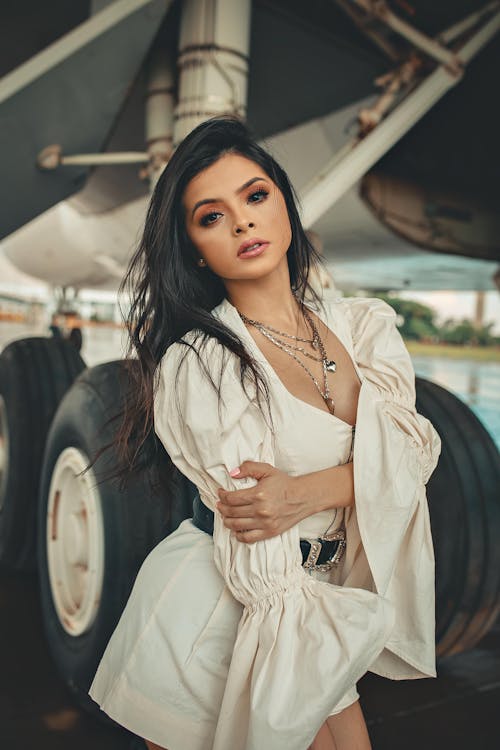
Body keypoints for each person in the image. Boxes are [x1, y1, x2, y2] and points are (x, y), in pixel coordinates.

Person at [88, 116, 441, 750]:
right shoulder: (201, 363)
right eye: (211, 216)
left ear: (283, 204)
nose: (243, 221)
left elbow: (415, 455)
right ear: (195, 247)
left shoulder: (363, 327)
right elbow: (259, 527)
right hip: (225, 613)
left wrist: (305, 494)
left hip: (313, 605)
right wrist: (359, 481)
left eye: (255, 196)